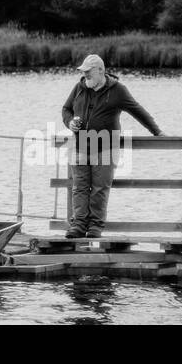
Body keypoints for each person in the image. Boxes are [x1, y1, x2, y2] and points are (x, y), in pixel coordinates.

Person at [60, 54, 163, 239]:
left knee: (100, 188)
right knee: (79, 188)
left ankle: (95, 228)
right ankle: (78, 225)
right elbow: (66, 109)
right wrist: (70, 123)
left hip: (106, 147)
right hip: (81, 144)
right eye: (83, 72)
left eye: (88, 71)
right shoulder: (79, 87)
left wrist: (157, 132)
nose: (85, 75)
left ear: (101, 70)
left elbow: (138, 111)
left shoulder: (118, 90)